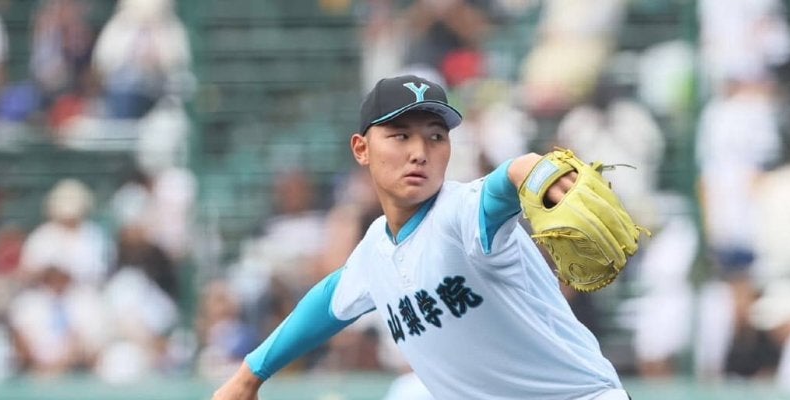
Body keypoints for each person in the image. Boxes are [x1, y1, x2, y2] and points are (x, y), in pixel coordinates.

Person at [212, 75, 630, 399]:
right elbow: (327, 303)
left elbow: (500, 187)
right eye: (400, 135)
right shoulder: (375, 249)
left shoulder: (458, 213)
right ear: (361, 149)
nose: (420, 152)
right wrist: (250, 375)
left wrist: (526, 169)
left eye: (435, 136)